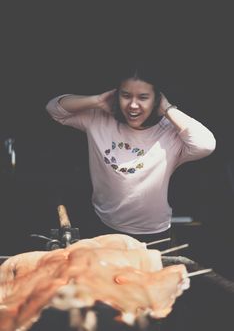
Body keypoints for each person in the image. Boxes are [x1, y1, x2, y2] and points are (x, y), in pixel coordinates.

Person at [46, 64, 216, 246]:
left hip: (153, 232)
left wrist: (167, 108)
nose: (133, 105)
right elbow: (55, 109)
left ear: (156, 99)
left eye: (143, 97)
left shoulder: (170, 134)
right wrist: (97, 100)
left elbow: (206, 144)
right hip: (103, 223)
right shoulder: (98, 119)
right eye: (126, 95)